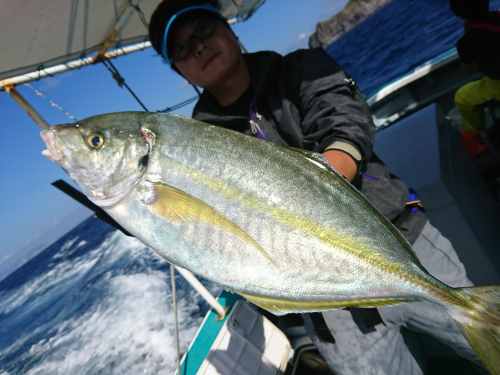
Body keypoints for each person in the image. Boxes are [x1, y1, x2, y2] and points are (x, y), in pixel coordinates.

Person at [148, 2, 483, 373]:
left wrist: (325, 180)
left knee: (486, 335)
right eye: (180, 48)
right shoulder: (198, 144)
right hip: (323, 301)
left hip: (402, 242)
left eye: (204, 29)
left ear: (229, 30)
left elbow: (343, 116)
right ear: (181, 70)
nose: (197, 46)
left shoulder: (299, 68)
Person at [451, 0, 500, 131]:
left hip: (497, 87)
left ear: (462, 16)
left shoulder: (466, 42)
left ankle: (480, 138)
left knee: (461, 98)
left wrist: (467, 33)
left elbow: (470, 71)